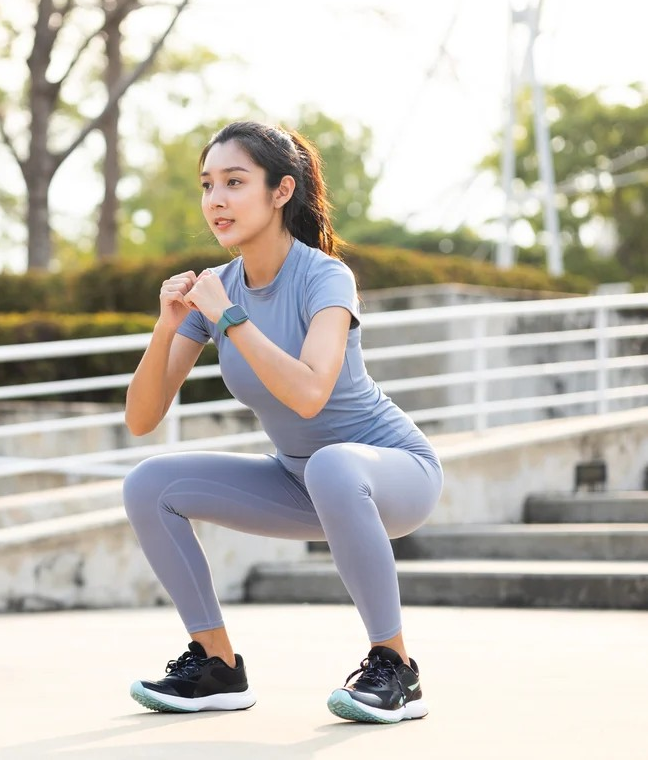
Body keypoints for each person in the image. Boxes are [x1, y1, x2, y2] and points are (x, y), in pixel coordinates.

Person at [121, 121, 444, 724]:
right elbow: (142, 418)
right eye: (208, 184)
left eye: (235, 182)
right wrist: (168, 324)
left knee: (334, 464)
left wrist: (231, 317)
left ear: (281, 191)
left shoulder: (324, 276)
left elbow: (309, 395)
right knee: (148, 482)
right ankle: (216, 665)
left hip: (393, 474)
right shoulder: (217, 290)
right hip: (302, 481)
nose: (216, 199)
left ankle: (396, 667)